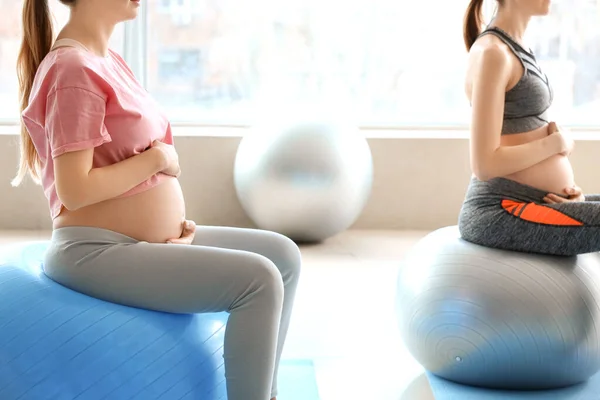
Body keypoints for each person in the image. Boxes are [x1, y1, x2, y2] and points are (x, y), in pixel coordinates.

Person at [13, 1, 301, 399]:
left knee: (283, 256)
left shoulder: (107, 60)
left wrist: (163, 226)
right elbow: (74, 190)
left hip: (136, 245)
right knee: (260, 280)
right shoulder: (72, 69)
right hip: (94, 252)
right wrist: (157, 159)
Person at [458, 0, 600, 256]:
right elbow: (484, 164)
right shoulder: (493, 53)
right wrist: (555, 145)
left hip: (534, 201)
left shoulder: (517, 48)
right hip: (502, 208)